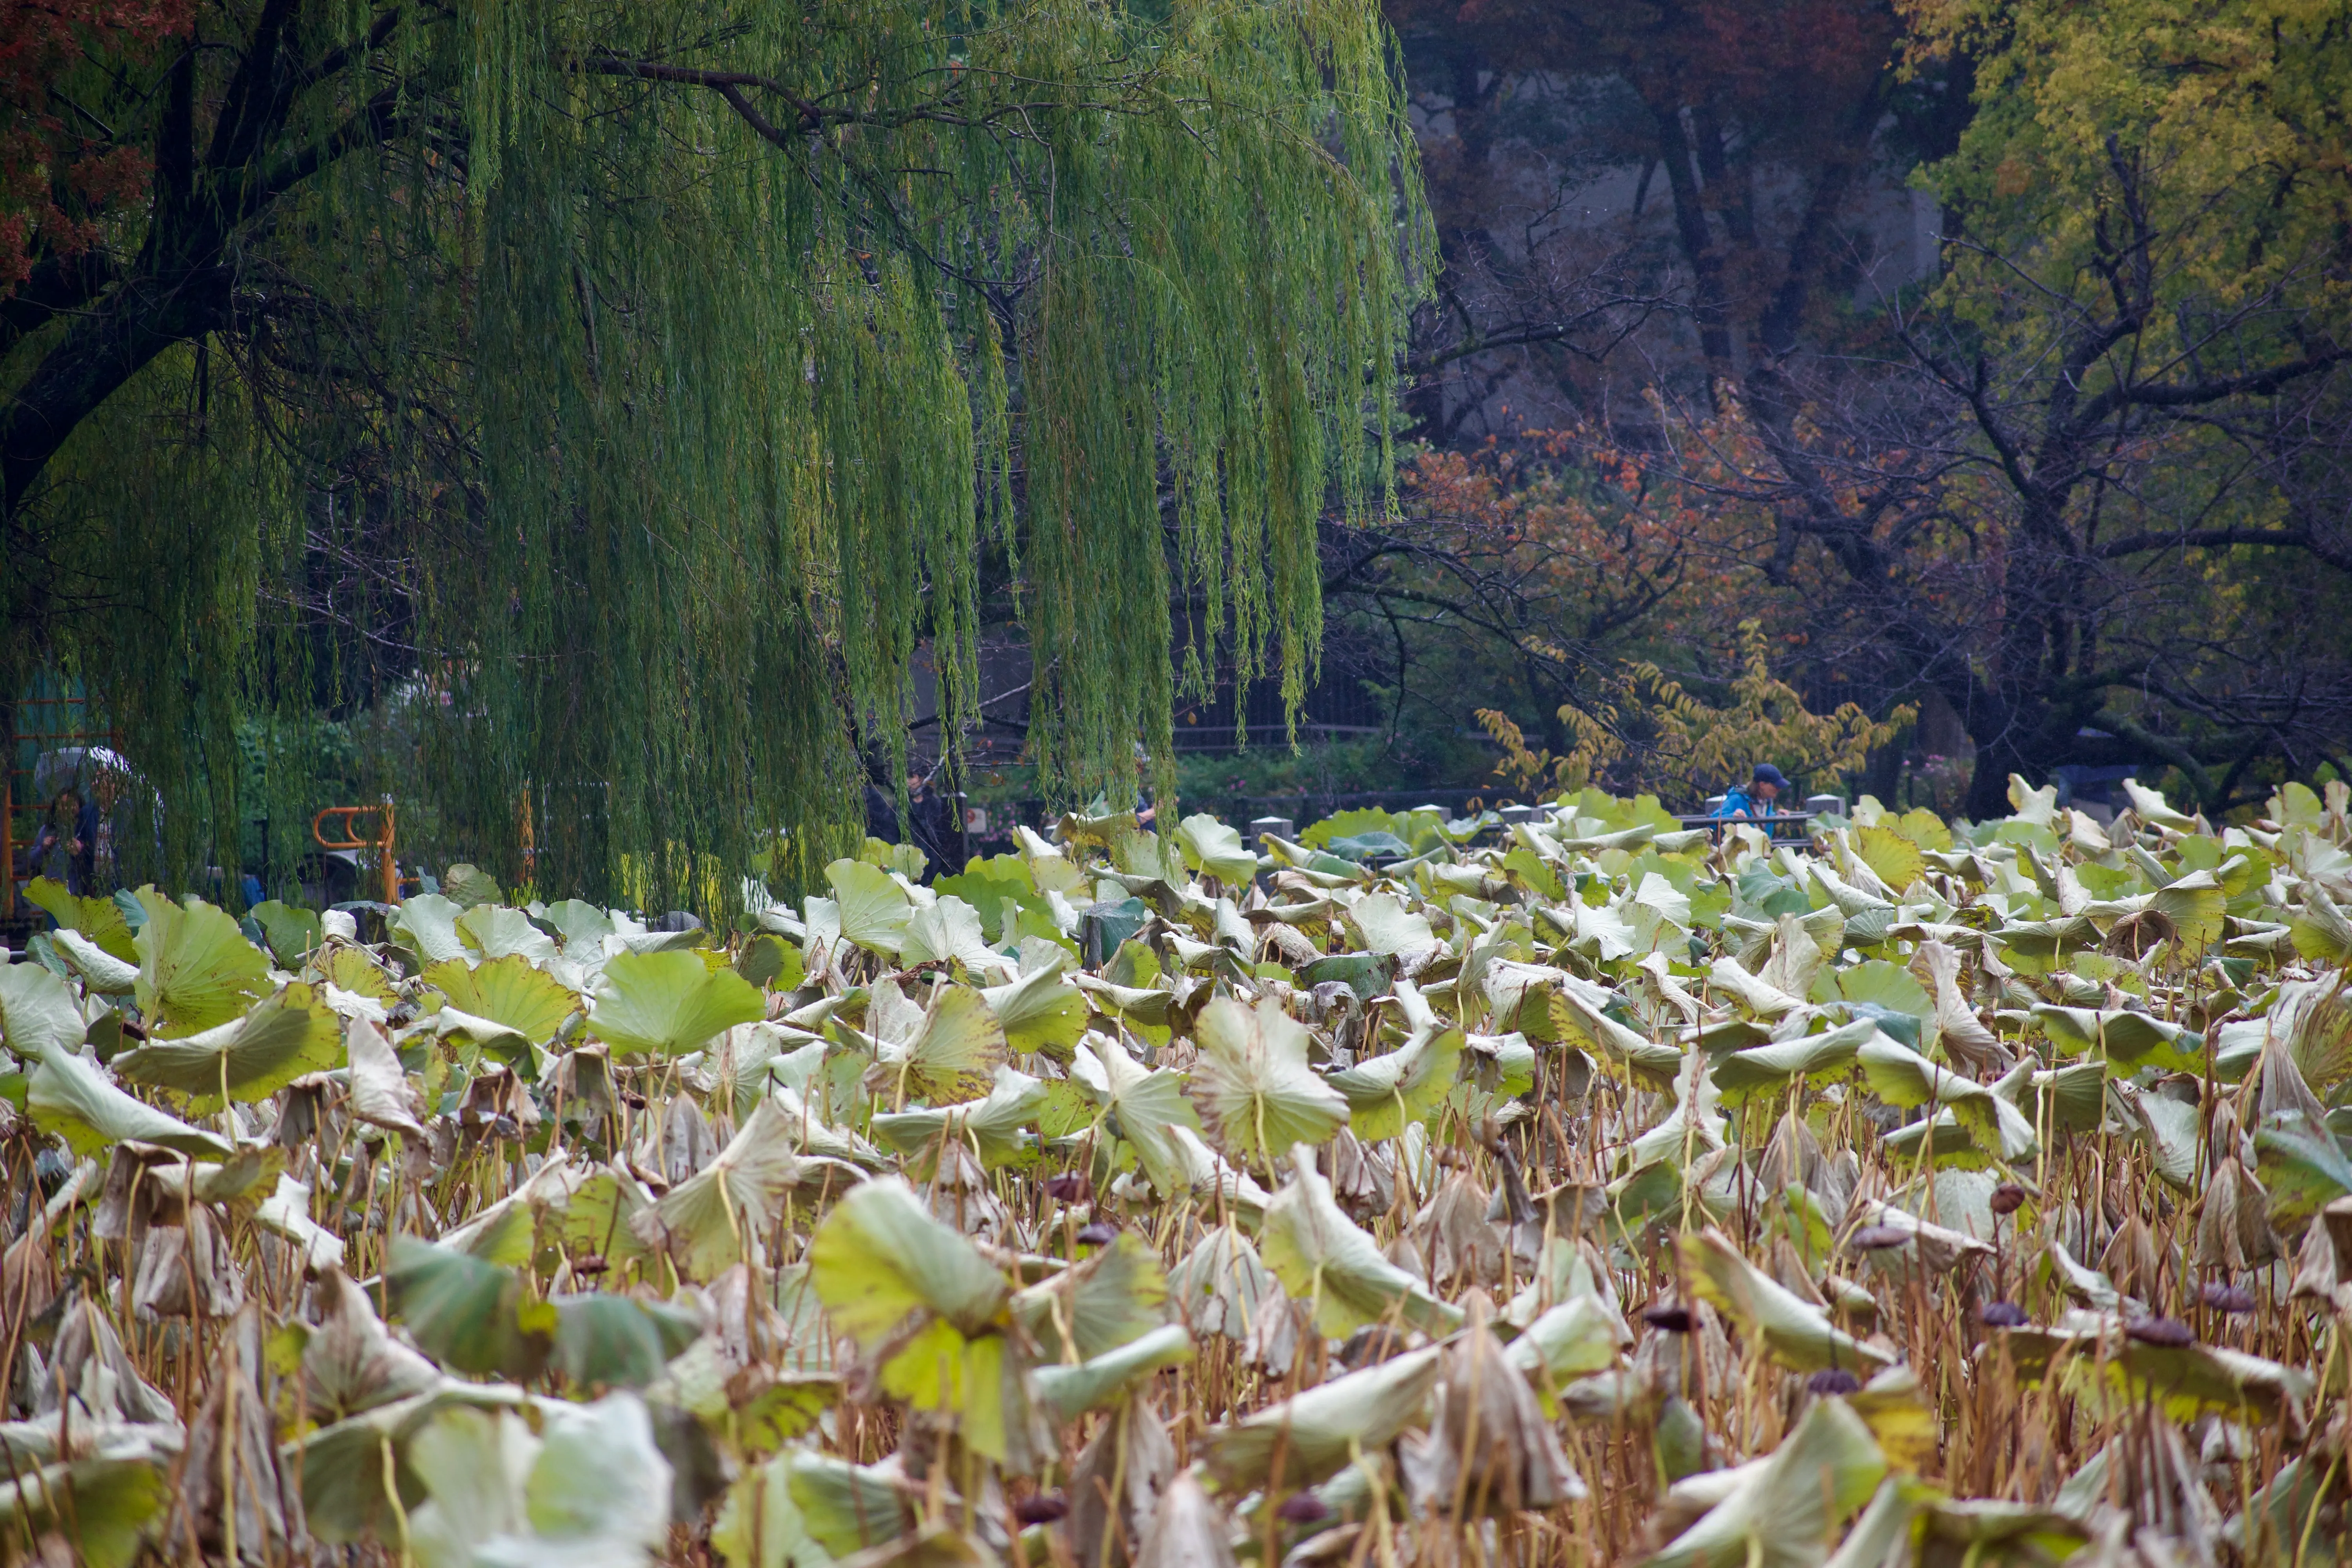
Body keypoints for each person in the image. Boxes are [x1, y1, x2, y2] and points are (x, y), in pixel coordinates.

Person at [1716, 763, 1789, 822]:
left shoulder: (1767, 801)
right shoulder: (1738, 798)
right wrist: (1732, 816)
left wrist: (1776, 816)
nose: (1779, 789)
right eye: (1776, 786)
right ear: (1762, 785)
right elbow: (1714, 819)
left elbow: (1761, 820)